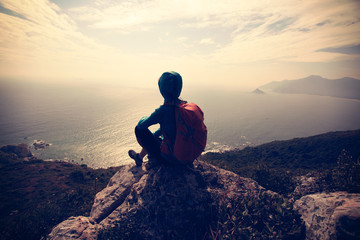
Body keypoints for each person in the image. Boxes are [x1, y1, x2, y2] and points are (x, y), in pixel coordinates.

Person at [128, 71, 184, 167]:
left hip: (170, 158)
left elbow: (142, 125)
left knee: (138, 129)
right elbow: (171, 129)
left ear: (162, 90)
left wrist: (145, 118)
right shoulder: (182, 107)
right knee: (156, 137)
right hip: (183, 155)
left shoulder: (163, 110)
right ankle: (139, 157)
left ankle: (151, 158)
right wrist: (154, 136)